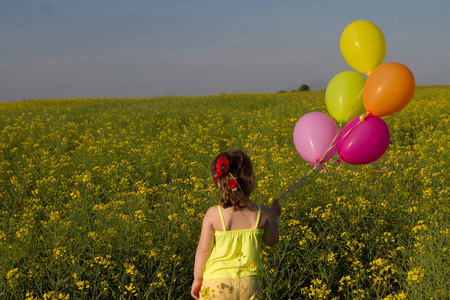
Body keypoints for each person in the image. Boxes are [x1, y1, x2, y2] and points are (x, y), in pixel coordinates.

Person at [191, 149, 281, 300]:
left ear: (220, 182)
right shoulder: (263, 213)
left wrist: (198, 279)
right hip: (249, 284)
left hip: (216, 283)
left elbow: (202, 251)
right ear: (251, 178)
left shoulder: (213, 214)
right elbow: (271, 241)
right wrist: (275, 217)